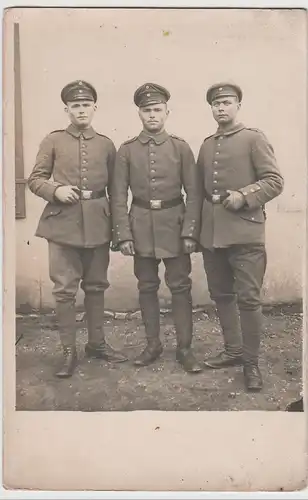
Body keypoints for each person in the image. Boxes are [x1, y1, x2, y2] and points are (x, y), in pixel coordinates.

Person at [28, 80, 128, 378]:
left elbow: (117, 191)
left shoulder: (107, 144)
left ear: (94, 108)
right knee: (64, 291)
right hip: (62, 225)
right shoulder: (53, 141)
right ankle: (68, 352)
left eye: (86, 105)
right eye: (75, 106)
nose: (81, 110)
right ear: (67, 110)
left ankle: (96, 344)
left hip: (98, 223)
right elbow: (35, 179)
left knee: (96, 286)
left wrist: (118, 230)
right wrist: (55, 190)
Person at [197, 82, 284, 391]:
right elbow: (199, 193)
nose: (221, 108)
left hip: (246, 234)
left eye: (227, 102)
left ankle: (251, 362)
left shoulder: (254, 139)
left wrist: (244, 195)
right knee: (221, 295)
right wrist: (197, 232)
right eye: (216, 103)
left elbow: (274, 181)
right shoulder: (207, 145)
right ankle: (233, 351)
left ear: (238, 105)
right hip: (213, 236)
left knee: (248, 299)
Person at [111, 82, 202, 373]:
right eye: (147, 110)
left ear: (167, 112)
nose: (152, 115)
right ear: (139, 113)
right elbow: (117, 195)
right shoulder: (126, 151)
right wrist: (123, 234)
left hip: (174, 226)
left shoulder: (180, 147)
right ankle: (153, 344)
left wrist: (190, 232)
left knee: (180, 286)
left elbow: (195, 193)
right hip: (140, 228)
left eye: (157, 110)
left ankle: (185, 348)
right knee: (147, 286)